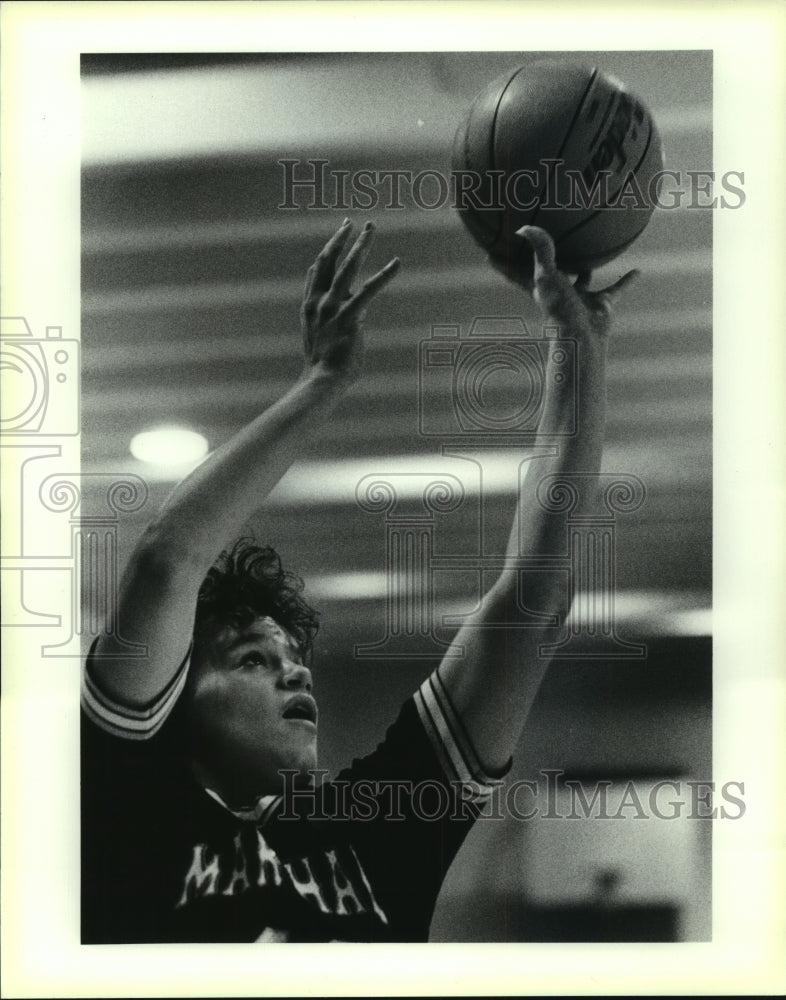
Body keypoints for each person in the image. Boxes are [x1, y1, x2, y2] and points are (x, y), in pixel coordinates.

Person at [81, 218, 636, 943]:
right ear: (172, 700)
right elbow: (166, 561)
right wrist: (320, 384)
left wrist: (579, 349)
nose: (293, 676)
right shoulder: (129, 807)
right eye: (252, 658)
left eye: (293, 659)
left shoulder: (379, 828)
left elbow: (535, 607)